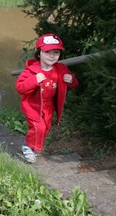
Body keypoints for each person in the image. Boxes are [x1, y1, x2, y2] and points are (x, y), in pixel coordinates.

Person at [15, 33, 79, 163]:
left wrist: (71, 80)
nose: (52, 56)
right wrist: (34, 80)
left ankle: (34, 146)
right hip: (33, 105)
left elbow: (72, 86)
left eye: (56, 52)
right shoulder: (31, 71)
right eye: (47, 52)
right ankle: (28, 147)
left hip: (49, 106)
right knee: (38, 127)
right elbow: (20, 87)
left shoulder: (61, 69)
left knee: (45, 128)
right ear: (38, 53)